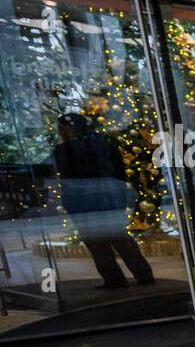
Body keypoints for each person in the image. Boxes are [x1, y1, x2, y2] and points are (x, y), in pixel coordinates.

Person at [52, 112, 155, 289]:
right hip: (105, 200)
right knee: (119, 239)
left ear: (69, 129)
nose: (60, 133)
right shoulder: (103, 144)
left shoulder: (65, 151)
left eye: (61, 129)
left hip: (85, 203)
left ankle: (115, 279)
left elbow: (67, 179)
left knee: (99, 243)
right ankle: (141, 274)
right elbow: (119, 173)